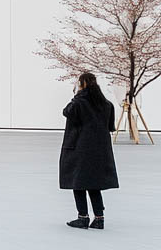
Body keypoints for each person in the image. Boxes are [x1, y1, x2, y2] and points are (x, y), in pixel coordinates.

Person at [60, 71, 118, 229]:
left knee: (78, 183)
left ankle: (83, 217)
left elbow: (67, 112)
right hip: (99, 150)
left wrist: (77, 95)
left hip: (79, 148)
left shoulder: (79, 102)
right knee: (94, 184)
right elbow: (110, 126)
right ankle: (99, 218)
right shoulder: (107, 104)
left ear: (82, 84)